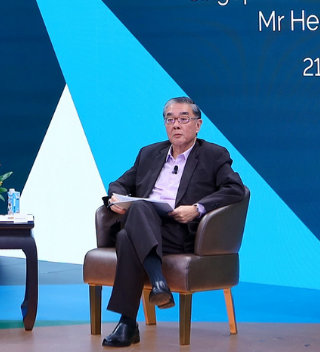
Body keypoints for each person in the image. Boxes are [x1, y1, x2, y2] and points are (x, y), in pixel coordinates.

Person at [100, 97, 245, 347]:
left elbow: (235, 189)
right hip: (146, 224)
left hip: (181, 231)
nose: (176, 124)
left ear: (198, 125)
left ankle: (128, 323)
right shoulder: (149, 153)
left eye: (183, 119)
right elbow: (119, 183)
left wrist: (197, 209)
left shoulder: (213, 155)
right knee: (138, 212)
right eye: (170, 119)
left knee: (126, 236)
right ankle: (157, 285)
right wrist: (115, 199)